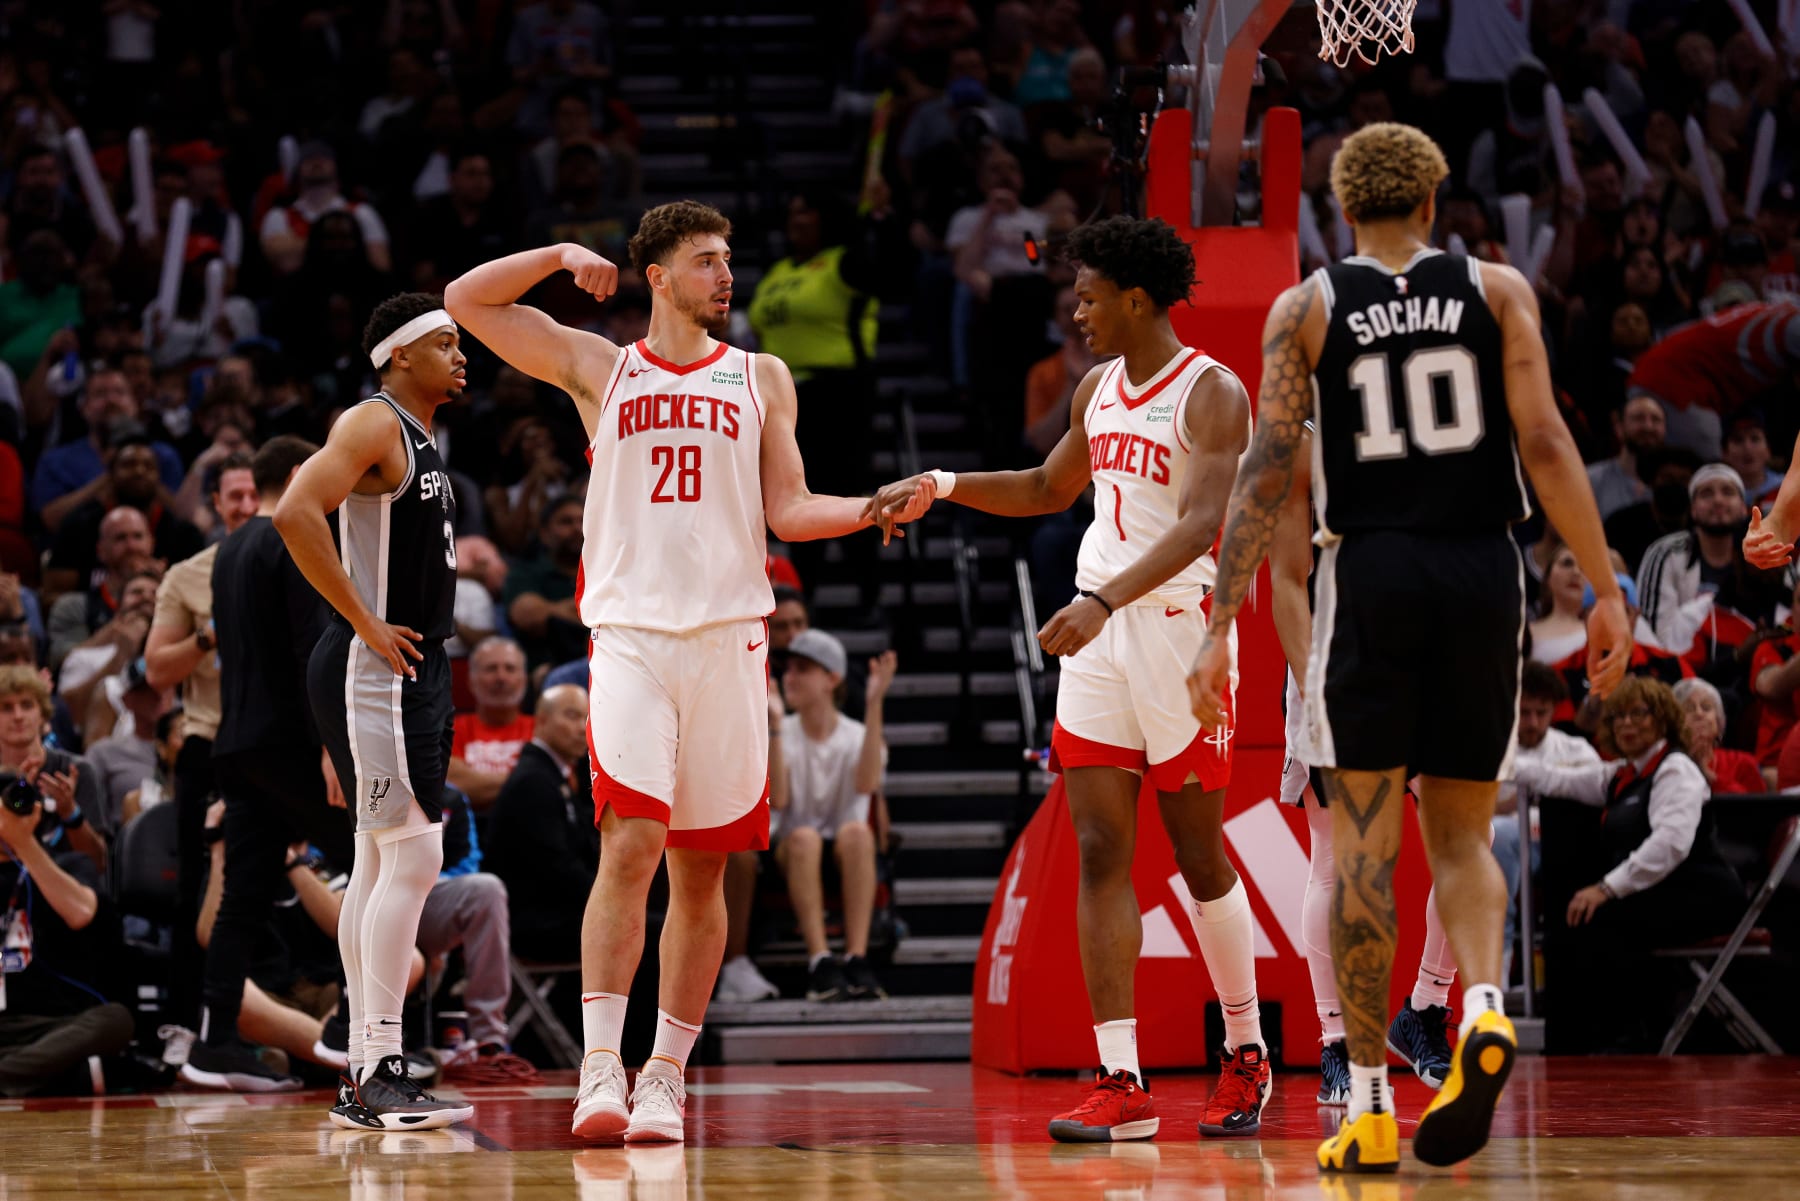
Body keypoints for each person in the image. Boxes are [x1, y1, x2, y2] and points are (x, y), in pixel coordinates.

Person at [1186, 123, 1630, 1174]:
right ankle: (1481, 1007)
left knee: (1361, 852)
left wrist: (1219, 625)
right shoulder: (1499, 290)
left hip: (1371, 573)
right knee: (1465, 836)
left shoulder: (1306, 307)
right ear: (1434, 202)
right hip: (1482, 570)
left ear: (1343, 214)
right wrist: (1605, 586)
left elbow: (1265, 475)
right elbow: (1548, 441)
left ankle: (1372, 1101)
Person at [444, 200, 929, 1144]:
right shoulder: (602, 366)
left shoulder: (761, 375)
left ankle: (665, 1073)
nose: (726, 274)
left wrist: (869, 507)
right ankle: (601, 1066)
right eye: (706, 260)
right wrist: (558, 253)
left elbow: (789, 509)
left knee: (701, 873)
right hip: (631, 638)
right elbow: (466, 300)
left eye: (728, 258)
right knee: (630, 846)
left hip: (731, 643)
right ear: (659, 277)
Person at [869, 215, 1271, 1142]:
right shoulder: (1095, 387)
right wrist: (942, 483)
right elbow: (1048, 489)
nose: (1076, 311)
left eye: (1088, 297)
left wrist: (1102, 599)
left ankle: (1245, 1048)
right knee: (1098, 849)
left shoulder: (1212, 391)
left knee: (1199, 854)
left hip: (1175, 631)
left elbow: (1201, 524)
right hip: (1101, 637)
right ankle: (1121, 1078)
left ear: (1136, 296)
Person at [271, 294, 474, 1131]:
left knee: (379, 859)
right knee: (415, 856)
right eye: (445, 342)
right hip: (379, 664)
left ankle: (364, 1066)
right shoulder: (373, 420)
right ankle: (381, 1069)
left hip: (406, 664)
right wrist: (362, 620)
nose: (462, 355)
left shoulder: (421, 436)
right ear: (399, 355)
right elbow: (292, 510)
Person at [182, 436, 350, 1094]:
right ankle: (354, 1028)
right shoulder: (294, 533)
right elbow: (313, 648)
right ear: (303, 473)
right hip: (290, 743)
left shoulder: (229, 549)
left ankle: (214, 1041)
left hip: (236, 743)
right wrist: (331, 744)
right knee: (371, 861)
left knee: (243, 897)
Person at [1517, 677, 1744, 1052]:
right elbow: (1557, 778)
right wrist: (1494, 762)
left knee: (1595, 918)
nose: (1626, 723)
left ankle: (1623, 1038)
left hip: (1704, 896)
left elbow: (1669, 845)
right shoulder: (1623, 773)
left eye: (1638, 714)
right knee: (1574, 917)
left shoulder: (1676, 769)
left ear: (1663, 719)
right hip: (1661, 892)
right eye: (1618, 716)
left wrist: (1606, 888)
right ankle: (1577, 1044)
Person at [142, 452, 259, 1040]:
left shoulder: (306, 562)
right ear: (215, 503)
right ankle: (189, 1028)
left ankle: (286, 1024)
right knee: (199, 888)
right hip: (209, 745)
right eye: (235, 496)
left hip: (279, 747)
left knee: (289, 886)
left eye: (256, 494)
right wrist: (209, 636)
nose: (247, 506)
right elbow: (156, 670)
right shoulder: (187, 576)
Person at [772, 631, 895, 1002]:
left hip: (846, 848)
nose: (790, 677)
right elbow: (779, 800)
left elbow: (868, 784)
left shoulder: (857, 734)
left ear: (832, 679)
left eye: (803, 669)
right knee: (805, 837)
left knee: (858, 833)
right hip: (790, 851)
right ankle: (820, 961)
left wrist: (874, 704)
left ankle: (857, 957)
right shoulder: (780, 731)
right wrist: (774, 726)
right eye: (788, 669)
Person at [487, 683, 596, 962]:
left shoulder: (552, 774)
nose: (582, 728)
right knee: (645, 930)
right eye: (572, 716)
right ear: (542, 720)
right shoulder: (533, 780)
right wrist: (607, 897)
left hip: (556, 910)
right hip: (537, 922)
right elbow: (557, 868)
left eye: (586, 718)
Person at [447, 636, 534, 812]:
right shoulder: (450, 730)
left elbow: (557, 784)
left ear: (524, 680)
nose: (501, 677)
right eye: (491, 669)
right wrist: (528, 780)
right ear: (471, 680)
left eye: (510, 669)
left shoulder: (543, 729)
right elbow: (453, 784)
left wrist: (477, 781)